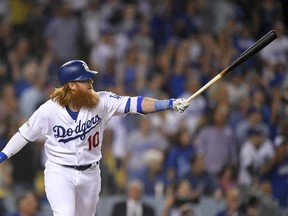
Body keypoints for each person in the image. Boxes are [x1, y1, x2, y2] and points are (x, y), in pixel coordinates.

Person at [0, 59, 190, 216]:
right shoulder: (49, 110)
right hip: (60, 171)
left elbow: (136, 104)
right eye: (85, 80)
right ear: (72, 86)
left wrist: (169, 104)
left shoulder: (102, 101)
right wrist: (2, 156)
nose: (91, 83)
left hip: (91, 173)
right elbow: (23, 135)